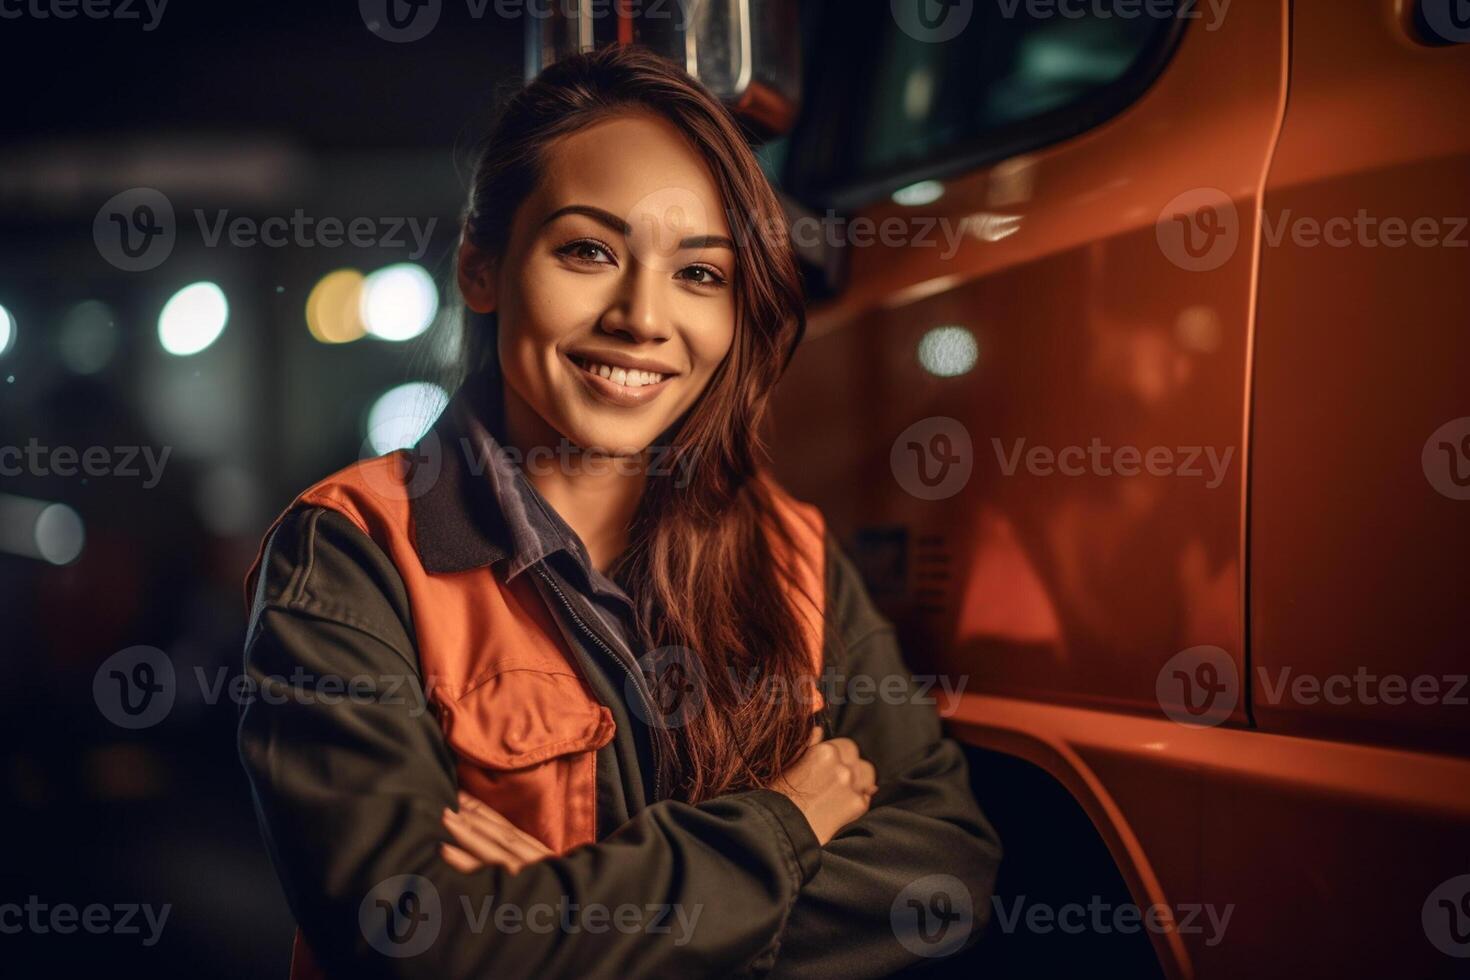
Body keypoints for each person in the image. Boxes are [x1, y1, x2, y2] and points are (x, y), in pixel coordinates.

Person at [237, 43, 1000, 980]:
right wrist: (785, 825)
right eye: (589, 251)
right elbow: (419, 938)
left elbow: (947, 872)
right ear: (482, 268)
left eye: (700, 273)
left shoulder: (784, 545)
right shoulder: (354, 555)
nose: (643, 316)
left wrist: (570, 916)